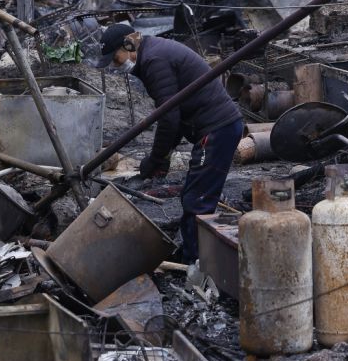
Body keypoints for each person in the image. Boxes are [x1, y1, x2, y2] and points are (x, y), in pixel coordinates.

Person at [96, 23, 243, 266]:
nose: (115, 64)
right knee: (194, 196)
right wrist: (163, 157)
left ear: (128, 44)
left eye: (115, 58)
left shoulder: (154, 61)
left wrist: (155, 158)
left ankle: (197, 266)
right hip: (215, 128)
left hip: (217, 130)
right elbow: (173, 113)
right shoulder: (151, 54)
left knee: (198, 202)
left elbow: (169, 118)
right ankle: (191, 257)